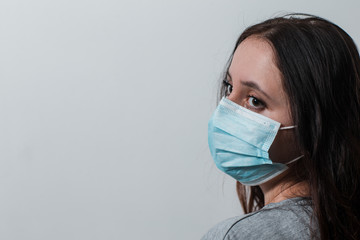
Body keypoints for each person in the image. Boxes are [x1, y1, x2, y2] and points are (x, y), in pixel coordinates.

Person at [202, 13, 360, 240]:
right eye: (229, 88)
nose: (226, 109)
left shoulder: (240, 235)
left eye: (255, 101)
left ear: (315, 125)